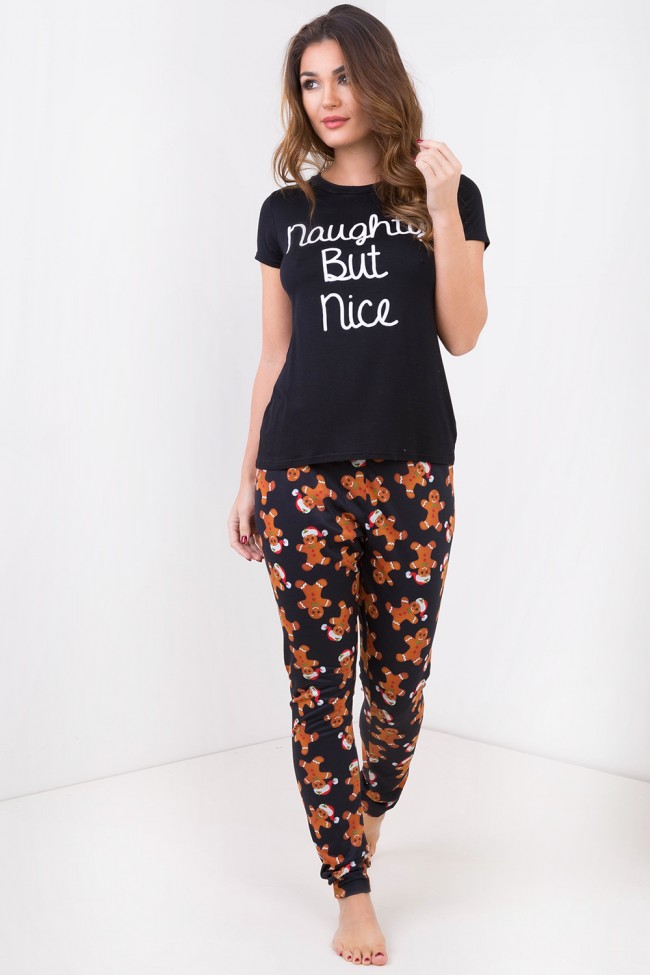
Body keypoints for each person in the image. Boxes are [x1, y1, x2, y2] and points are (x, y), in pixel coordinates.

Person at [227, 4, 490, 965]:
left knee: (400, 684)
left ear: (379, 77)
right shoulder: (285, 213)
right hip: (299, 476)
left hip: (413, 474)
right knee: (317, 685)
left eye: (343, 76)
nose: (327, 98)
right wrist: (248, 476)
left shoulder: (442, 195)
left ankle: (371, 803)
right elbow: (273, 356)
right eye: (310, 81)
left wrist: (446, 209)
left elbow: (463, 333)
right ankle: (351, 885)